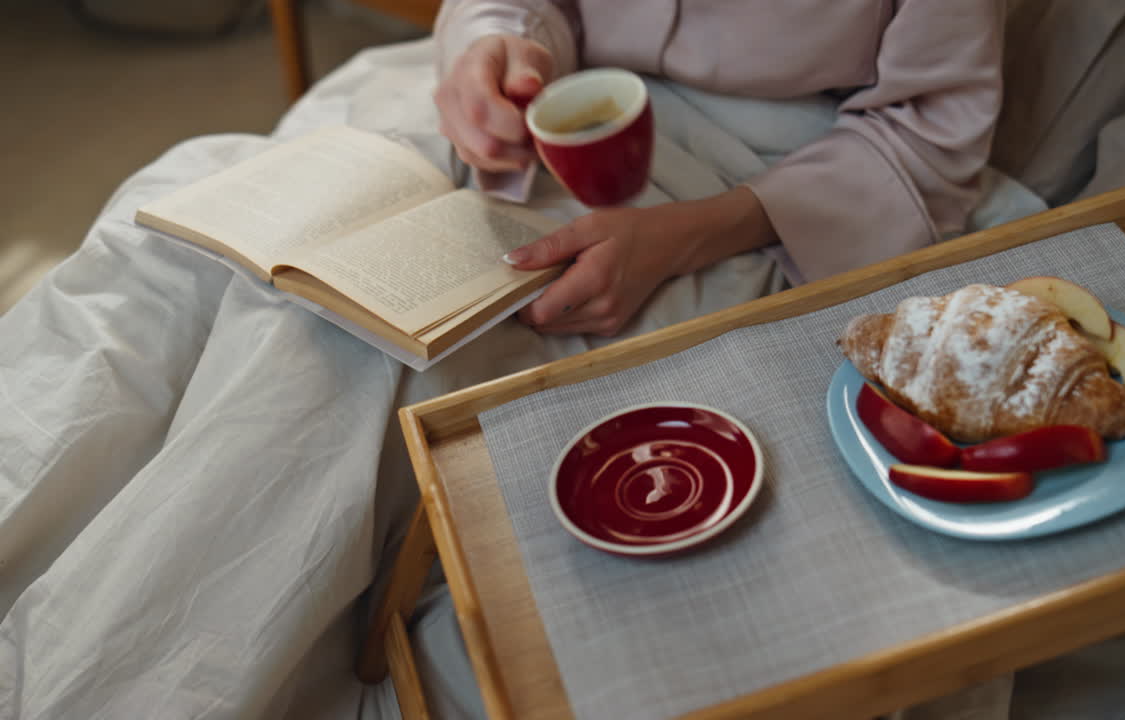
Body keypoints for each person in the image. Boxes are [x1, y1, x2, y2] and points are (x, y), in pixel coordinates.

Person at [0, 1, 1004, 718]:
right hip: (531, 116)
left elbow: (925, 139)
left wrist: (686, 237)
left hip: (764, 178)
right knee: (183, 262)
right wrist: (498, 47)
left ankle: (115, 675)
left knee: (345, 357)